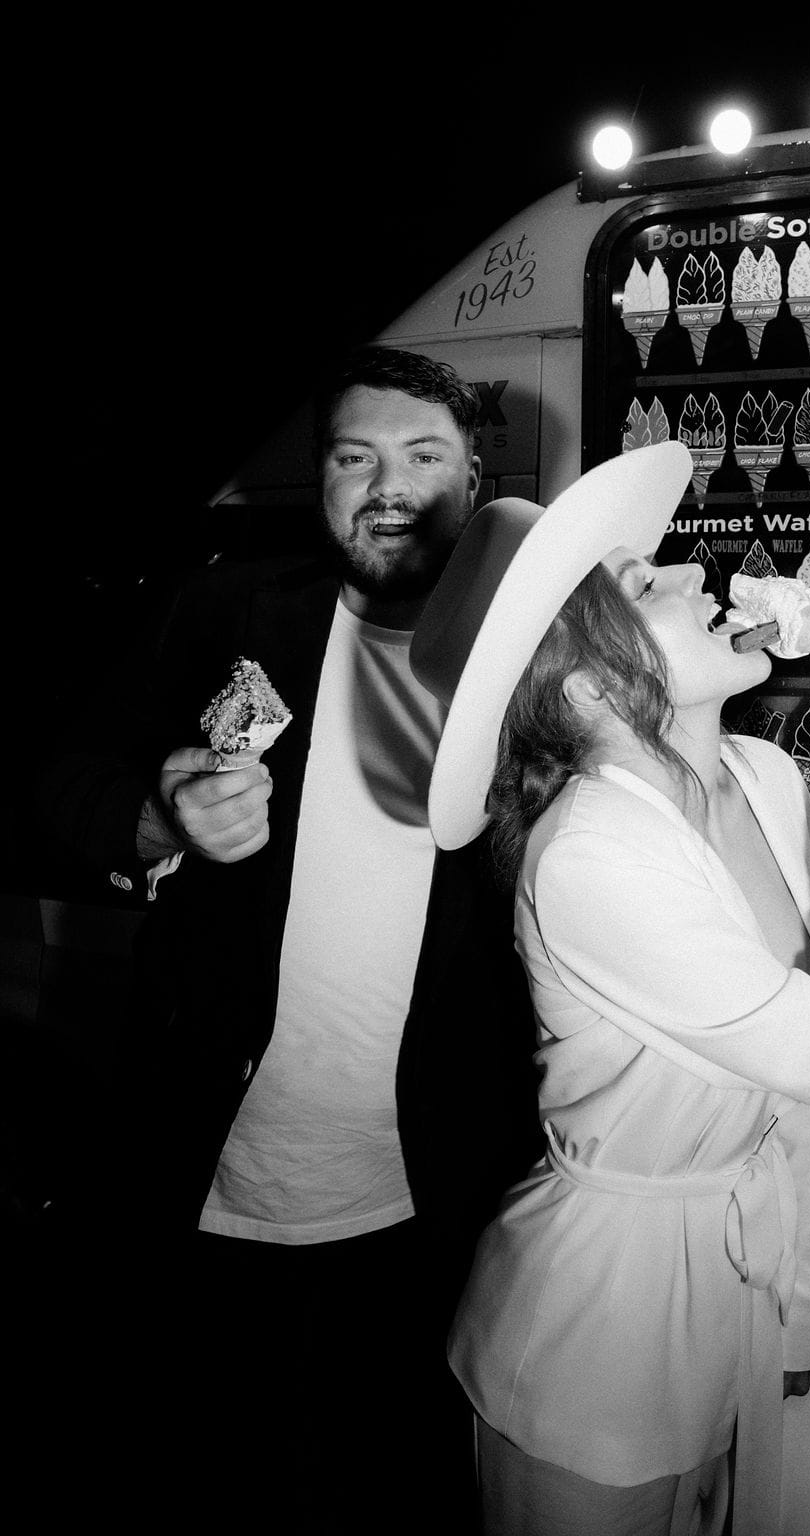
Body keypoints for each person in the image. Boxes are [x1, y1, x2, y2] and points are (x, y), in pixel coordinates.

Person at [408, 440, 810, 1536]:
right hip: (593, 1336)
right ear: (585, 686)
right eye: (642, 584)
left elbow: (799, 1104)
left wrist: (805, 1325)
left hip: (750, 1307)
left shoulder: (764, 779)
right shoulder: (590, 856)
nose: (688, 571)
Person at [29, 345, 542, 1533]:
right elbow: (63, 783)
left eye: (422, 456)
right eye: (354, 458)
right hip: (217, 1170)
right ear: (319, 480)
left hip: (431, 1191)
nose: (388, 487)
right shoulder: (226, 614)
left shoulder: (527, 653)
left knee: (400, 1486)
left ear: (474, 477)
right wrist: (162, 818)